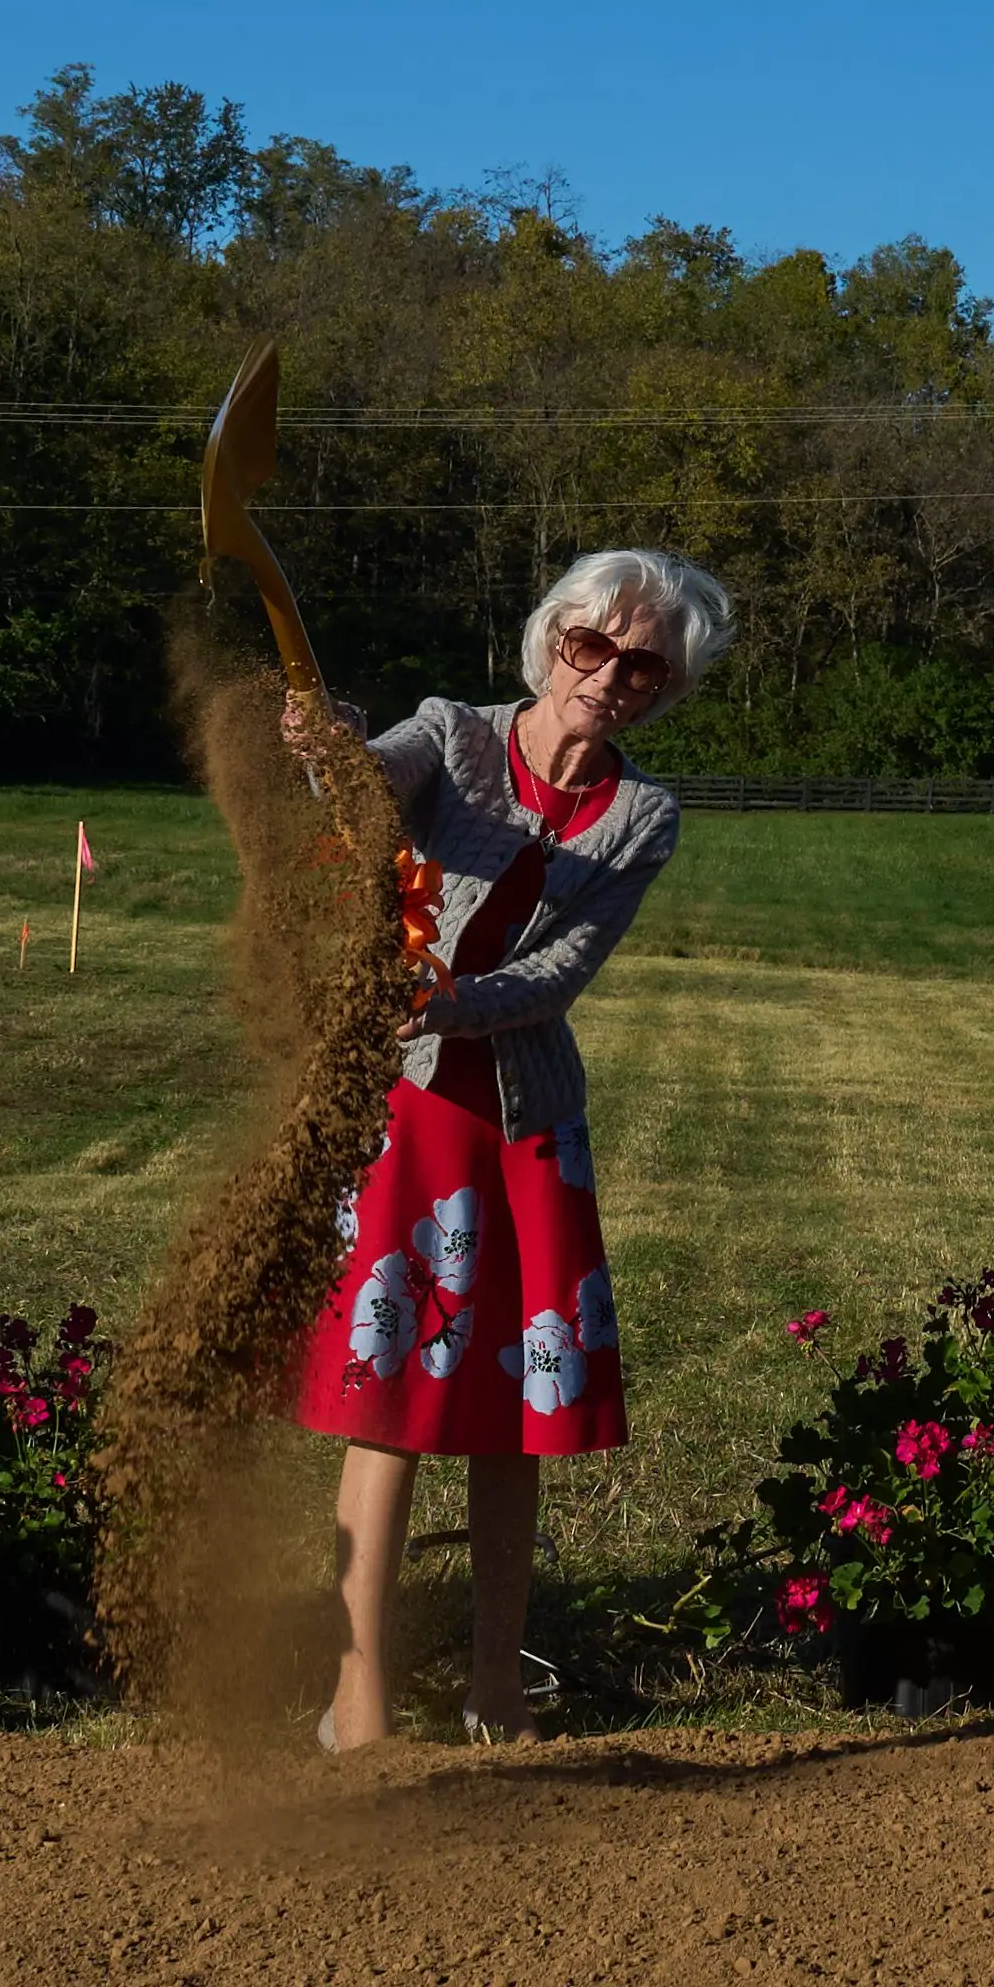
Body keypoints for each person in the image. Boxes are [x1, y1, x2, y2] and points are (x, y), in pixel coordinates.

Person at [288, 550, 725, 1747]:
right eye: (596, 643)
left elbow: (558, 972)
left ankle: (496, 1684)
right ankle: (357, 1692)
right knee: (394, 1404)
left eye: (645, 661)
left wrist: (442, 1002)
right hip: (412, 1121)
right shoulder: (454, 734)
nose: (613, 675)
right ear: (554, 636)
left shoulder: (646, 816)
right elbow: (365, 791)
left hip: (525, 1125)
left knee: (507, 1421)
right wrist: (326, 747)